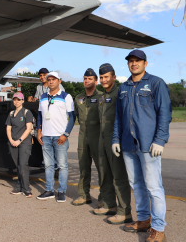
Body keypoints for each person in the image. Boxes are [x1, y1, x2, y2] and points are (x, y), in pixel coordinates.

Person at [113, 50, 172, 242]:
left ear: (145, 63)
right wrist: (116, 139)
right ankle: (144, 219)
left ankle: (158, 227)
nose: (134, 64)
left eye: (137, 61)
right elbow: (118, 118)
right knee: (136, 185)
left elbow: (165, 112)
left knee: (154, 187)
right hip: (128, 144)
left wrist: (160, 140)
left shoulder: (156, 83)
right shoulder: (124, 87)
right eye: (131, 61)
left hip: (149, 144)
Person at [94, 63, 132, 225]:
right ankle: (110, 204)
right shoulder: (102, 96)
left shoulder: (120, 93)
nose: (103, 80)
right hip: (102, 141)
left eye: (106, 77)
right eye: (101, 77)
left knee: (119, 176)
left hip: (116, 141)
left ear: (114, 77)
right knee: (104, 174)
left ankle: (125, 211)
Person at [36, 72, 76, 202]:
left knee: (62, 165)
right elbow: (39, 116)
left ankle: (62, 191)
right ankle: (49, 190)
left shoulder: (66, 96)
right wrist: (39, 131)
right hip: (46, 136)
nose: (51, 81)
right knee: (48, 165)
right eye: (49, 79)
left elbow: (72, 117)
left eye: (54, 79)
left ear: (59, 81)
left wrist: (66, 134)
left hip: (60, 137)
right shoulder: (43, 97)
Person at [72, 69, 104, 207]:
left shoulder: (102, 96)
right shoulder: (78, 98)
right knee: (83, 167)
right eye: (85, 78)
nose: (86, 81)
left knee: (102, 169)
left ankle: (104, 198)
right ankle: (84, 195)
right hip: (82, 136)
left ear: (96, 81)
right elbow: (76, 116)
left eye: (90, 79)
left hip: (97, 137)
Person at [6, 92, 34, 197]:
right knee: (18, 166)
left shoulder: (27, 112)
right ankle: (19, 186)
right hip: (13, 142)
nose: (16, 101)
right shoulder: (11, 114)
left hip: (24, 142)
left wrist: (19, 140)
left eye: (19, 99)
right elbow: (8, 128)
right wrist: (11, 140)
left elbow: (28, 128)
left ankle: (26, 189)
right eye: (15, 99)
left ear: (22, 101)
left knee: (23, 165)